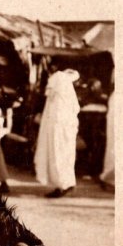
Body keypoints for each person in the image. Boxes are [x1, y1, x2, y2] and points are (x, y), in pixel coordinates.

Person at [34, 67, 80, 198]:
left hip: (60, 133)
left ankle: (63, 185)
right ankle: (65, 184)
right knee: (62, 156)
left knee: (60, 156)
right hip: (61, 132)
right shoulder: (61, 98)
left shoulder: (62, 97)